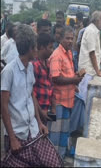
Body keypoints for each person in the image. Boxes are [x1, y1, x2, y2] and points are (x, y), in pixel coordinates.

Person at [1, 24, 62, 167]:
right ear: (30, 48)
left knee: (54, 163)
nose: (37, 49)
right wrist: (12, 138)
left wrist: (39, 122)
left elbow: (31, 96)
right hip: (17, 133)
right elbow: (3, 106)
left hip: (33, 130)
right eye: (35, 47)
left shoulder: (30, 68)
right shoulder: (9, 72)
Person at [48, 26, 83, 158]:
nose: (70, 41)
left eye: (71, 38)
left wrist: (75, 80)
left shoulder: (68, 53)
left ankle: (60, 157)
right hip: (58, 101)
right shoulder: (57, 55)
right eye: (67, 38)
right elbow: (55, 77)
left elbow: (68, 74)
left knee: (64, 132)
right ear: (61, 38)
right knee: (55, 134)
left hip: (68, 100)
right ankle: (52, 159)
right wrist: (73, 80)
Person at [32, 33, 55, 125]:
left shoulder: (47, 62)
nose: (52, 51)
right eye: (50, 48)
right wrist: (40, 112)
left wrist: (53, 107)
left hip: (46, 108)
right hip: (37, 110)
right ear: (41, 47)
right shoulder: (35, 65)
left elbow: (51, 86)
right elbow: (31, 93)